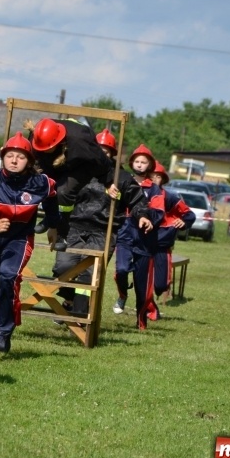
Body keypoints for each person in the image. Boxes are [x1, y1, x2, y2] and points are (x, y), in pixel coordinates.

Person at [53, 128, 149, 318]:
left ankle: (80, 314)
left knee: (90, 272)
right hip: (74, 226)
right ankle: (69, 300)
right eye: (99, 148)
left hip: (103, 231)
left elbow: (138, 201)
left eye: (106, 150)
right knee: (63, 267)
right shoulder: (79, 170)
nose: (102, 153)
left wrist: (143, 216)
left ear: (112, 153)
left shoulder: (121, 177)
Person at [0, 132, 60, 352]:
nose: (14, 160)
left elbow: (53, 195)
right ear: (3, 157)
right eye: (10, 156)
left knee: (9, 274)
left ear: (30, 161)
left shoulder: (39, 182)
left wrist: (52, 225)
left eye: (20, 156)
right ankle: (5, 325)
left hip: (20, 239)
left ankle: (3, 332)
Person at [28, 118, 121, 251]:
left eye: (46, 148)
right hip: (54, 161)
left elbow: (102, 161)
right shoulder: (36, 136)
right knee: (45, 185)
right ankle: (49, 219)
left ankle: (62, 234)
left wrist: (108, 182)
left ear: (58, 141)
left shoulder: (82, 141)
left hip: (82, 165)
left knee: (63, 192)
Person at [113, 144, 164, 330]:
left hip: (145, 239)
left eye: (144, 162)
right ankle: (122, 295)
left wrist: (150, 220)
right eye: (137, 161)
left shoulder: (155, 189)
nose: (140, 164)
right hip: (124, 234)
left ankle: (141, 321)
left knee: (142, 285)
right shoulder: (123, 181)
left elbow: (159, 211)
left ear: (149, 165)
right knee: (121, 270)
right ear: (131, 162)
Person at [151, 161, 195, 304]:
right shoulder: (139, 194)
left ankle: (158, 293)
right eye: (151, 176)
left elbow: (189, 215)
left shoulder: (169, 198)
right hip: (141, 243)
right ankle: (145, 307)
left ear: (163, 179)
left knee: (161, 284)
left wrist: (184, 222)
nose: (154, 179)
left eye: (157, 176)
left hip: (162, 244)